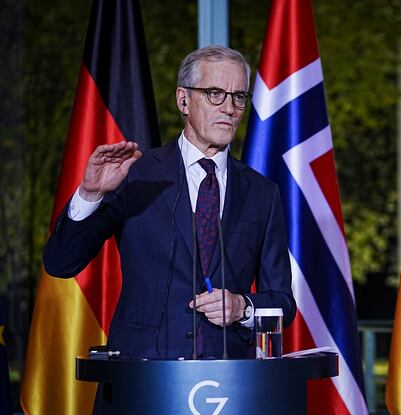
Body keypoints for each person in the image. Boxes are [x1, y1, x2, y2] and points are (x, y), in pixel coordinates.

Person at [44, 46, 296, 367]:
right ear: (183, 100)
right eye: (215, 93)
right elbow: (60, 263)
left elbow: (282, 304)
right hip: (142, 380)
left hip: (232, 384)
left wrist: (242, 307)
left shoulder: (262, 192)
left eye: (238, 97)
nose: (230, 108)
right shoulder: (135, 174)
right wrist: (90, 194)